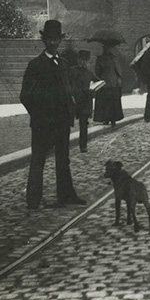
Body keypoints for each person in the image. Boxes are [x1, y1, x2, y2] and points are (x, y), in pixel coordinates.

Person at [19, 20, 86, 209]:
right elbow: (25, 95)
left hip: (62, 121)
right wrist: (39, 113)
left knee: (63, 160)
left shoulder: (63, 63)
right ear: (44, 40)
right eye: (49, 39)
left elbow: (66, 89)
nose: (53, 43)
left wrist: (72, 102)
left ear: (60, 40)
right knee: (38, 160)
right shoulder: (35, 65)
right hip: (43, 122)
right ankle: (33, 199)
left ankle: (66, 195)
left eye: (56, 39)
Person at [68, 49, 98, 153]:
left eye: (85, 60)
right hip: (73, 100)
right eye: (81, 60)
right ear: (78, 60)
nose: (83, 62)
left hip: (85, 101)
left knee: (83, 124)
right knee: (66, 123)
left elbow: (97, 82)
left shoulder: (89, 73)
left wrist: (94, 88)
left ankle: (83, 145)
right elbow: (66, 83)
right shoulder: (71, 71)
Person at [93, 39, 125, 129]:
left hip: (113, 84)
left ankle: (113, 120)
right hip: (104, 84)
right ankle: (106, 119)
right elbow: (97, 71)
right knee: (105, 103)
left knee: (112, 103)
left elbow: (119, 71)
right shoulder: (100, 59)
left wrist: (118, 79)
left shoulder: (114, 58)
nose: (108, 50)